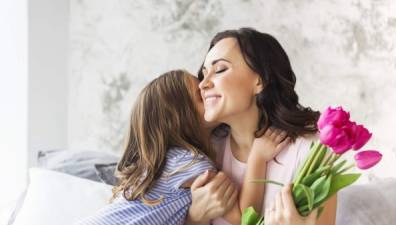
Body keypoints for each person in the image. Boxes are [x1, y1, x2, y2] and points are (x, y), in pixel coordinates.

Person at [76, 70, 288, 225]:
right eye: (199, 96)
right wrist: (258, 158)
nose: (207, 88)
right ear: (180, 119)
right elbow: (245, 218)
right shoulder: (190, 164)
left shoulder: (159, 167)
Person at [188, 27, 337, 225]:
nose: (203, 84)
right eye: (203, 74)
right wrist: (195, 217)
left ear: (260, 80)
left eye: (220, 69)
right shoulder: (204, 151)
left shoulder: (310, 152)